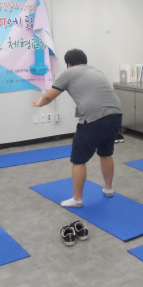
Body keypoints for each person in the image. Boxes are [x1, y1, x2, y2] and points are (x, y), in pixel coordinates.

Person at [32, 49, 122, 207]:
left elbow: (49, 96)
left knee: (78, 160)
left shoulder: (69, 72)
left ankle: (77, 199)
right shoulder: (96, 71)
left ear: (69, 64)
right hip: (116, 115)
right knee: (106, 153)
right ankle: (108, 189)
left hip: (94, 119)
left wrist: (40, 103)